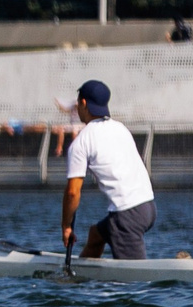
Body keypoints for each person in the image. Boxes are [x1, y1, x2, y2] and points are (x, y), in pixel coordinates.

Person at [61, 77, 157, 260]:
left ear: (83, 104)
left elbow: (73, 192)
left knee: (133, 275)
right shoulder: (120, 128)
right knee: (96, 235)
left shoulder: (82, 141)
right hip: (148, 207)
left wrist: (66, 226)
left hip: (127, 215)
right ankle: (83, 271)